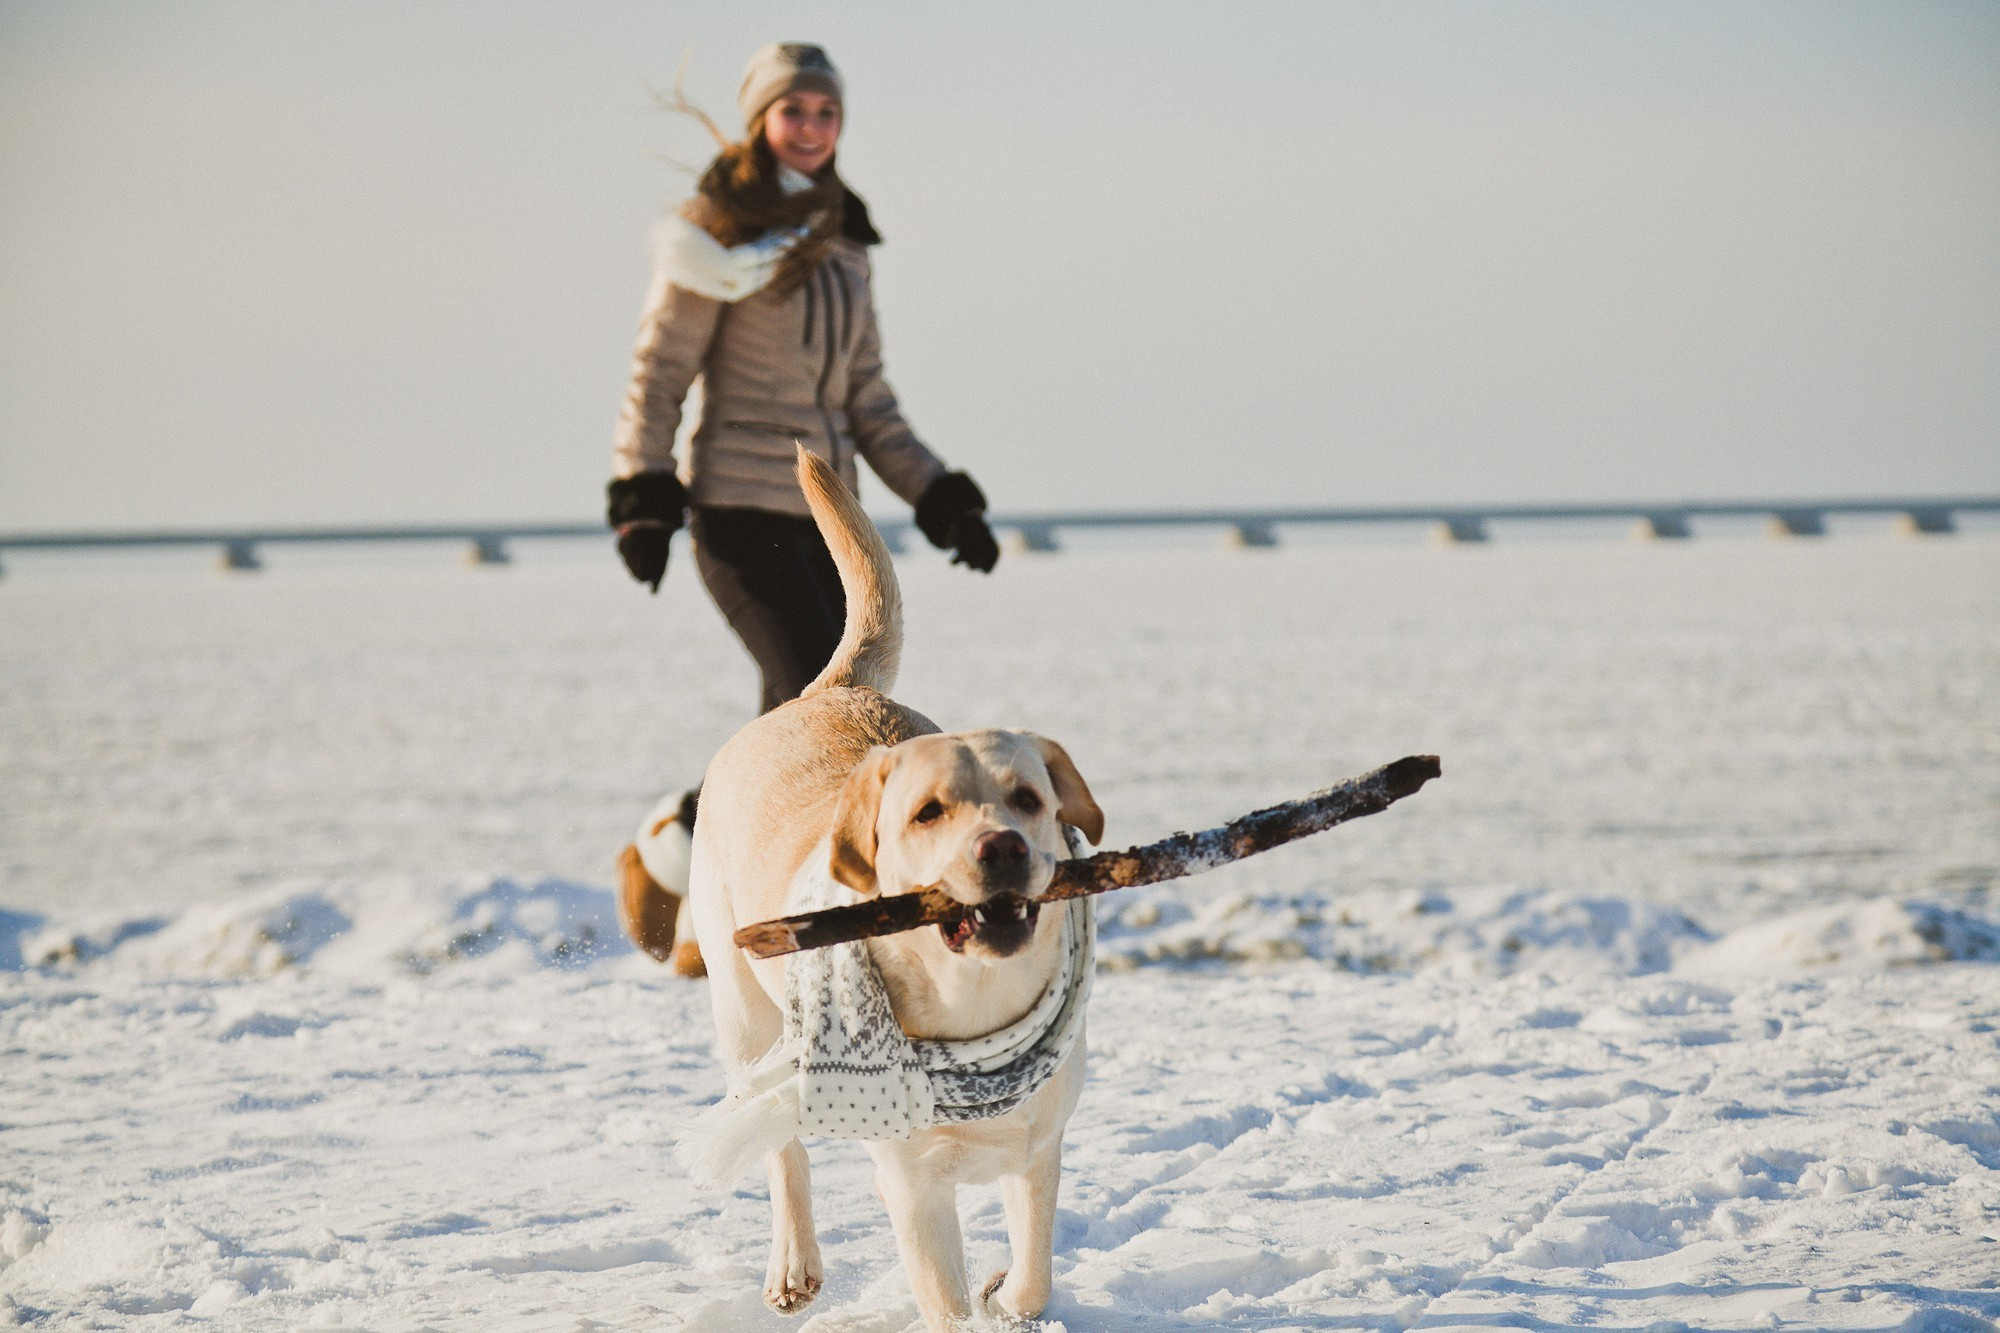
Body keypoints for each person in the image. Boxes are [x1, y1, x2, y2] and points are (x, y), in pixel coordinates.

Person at [607, 43, 1000, 972]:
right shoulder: (716, 233)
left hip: (829, 521)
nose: (812, 128)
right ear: (760, 119)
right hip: (737, 511)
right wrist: (642, 492)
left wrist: (938, 497)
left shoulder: (845, 241)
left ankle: (713, 904)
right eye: (795, 111)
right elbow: (660, 368)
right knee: (817, 708)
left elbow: (867, 398)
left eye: (827, 112)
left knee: (798, 727)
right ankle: (673, 865)